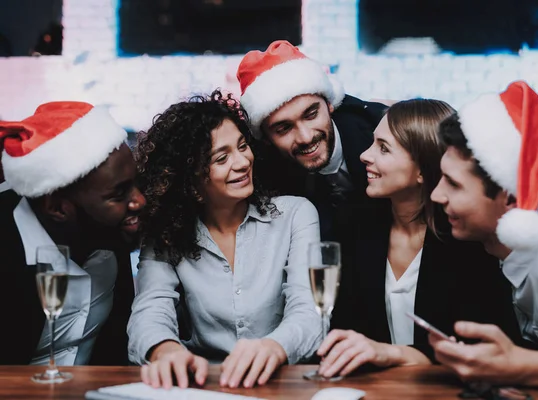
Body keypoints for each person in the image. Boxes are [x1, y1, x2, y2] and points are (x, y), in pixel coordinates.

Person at [314, 99, 523, 378]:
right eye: (373, 142)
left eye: (383, 148)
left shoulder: (468, 241)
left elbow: (482, 347)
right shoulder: (355, 226)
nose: (364, 155)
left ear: (424, 170)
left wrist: (394, 354)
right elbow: (348, 330)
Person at [128, 90, 321, 389]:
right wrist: (165, 350)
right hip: (203, 385)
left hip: (283, 384)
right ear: (190, 180)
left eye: (243, 146)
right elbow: (150, 310)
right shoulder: (166, 233)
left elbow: (310, 312)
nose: (242, 162)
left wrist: (274, 348)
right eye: (222, 158)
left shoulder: (296, 215)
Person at [429, 81, 538, 394]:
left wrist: (520, 365)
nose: (436, 194)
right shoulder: (494, 249)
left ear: (510, 198)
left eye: (453, 184)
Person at [0, 101, 146, 366]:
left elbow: (116, 349)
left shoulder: (109, 232)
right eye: (119, 193)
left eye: (136, 184)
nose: (139, 201)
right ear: (56, 207)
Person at [237, 40, 387, 240]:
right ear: (265, 138)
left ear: (330, 104)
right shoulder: (260, 173)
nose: (306, 137)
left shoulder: (382, 131)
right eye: (284, 128)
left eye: (311, 115)